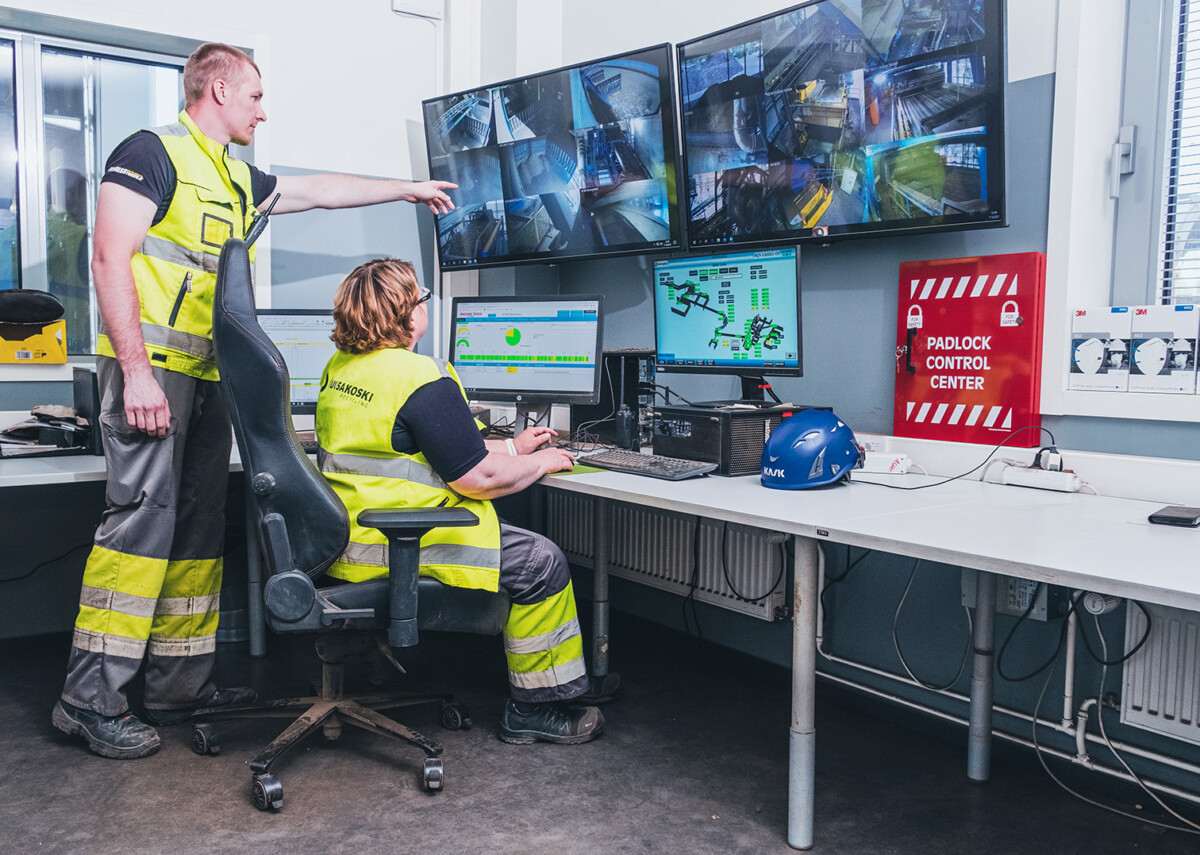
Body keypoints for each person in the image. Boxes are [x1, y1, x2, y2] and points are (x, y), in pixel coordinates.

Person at [52, 42, 457, 760]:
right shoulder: (152, 153)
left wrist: (405, 188)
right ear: (217, 91)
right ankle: (88, 701)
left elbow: (320, 190)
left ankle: (180, 688)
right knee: (139, 529)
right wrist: (138, 375)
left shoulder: (233, 176)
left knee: (200, 531)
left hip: (210, 379)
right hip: (153, 373)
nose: (263, 112)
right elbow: (110, 258)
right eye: (255, 98)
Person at [316, 258, 604, 745]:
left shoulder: (340, 369)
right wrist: (545, 463)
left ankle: (569, 681)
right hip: (404, 539)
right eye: (421, 298)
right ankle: (536, 707)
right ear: (407, 314)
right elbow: (478, 477)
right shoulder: (418, 375)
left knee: (531, 553)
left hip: (348, 537)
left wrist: (515, 448)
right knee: (540, 562)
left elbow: (418, 449)